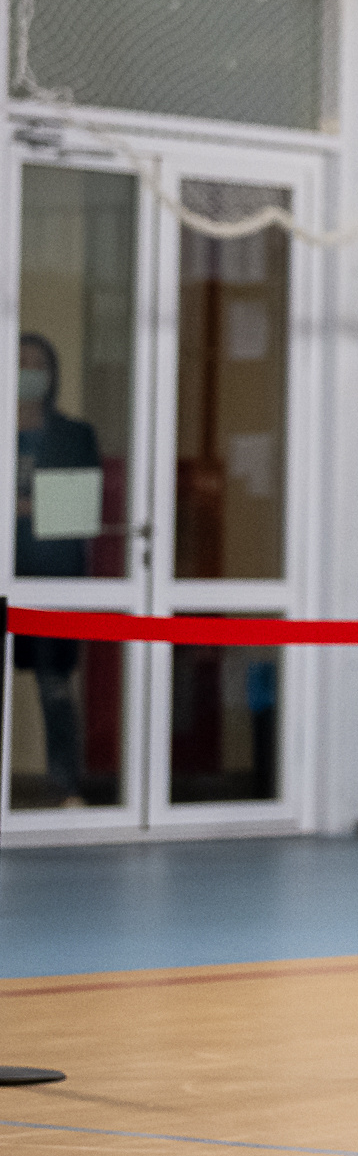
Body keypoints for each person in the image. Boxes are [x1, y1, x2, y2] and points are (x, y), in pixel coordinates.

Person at [17, 332, 99, 806]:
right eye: (20, 362)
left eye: (37, 364)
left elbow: (81, 508)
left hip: (53, 577)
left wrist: (24, 507)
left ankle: (66, 787)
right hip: (9, 573)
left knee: (55, 689)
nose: (29, 372)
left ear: (51, 374)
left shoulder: (75, 435)